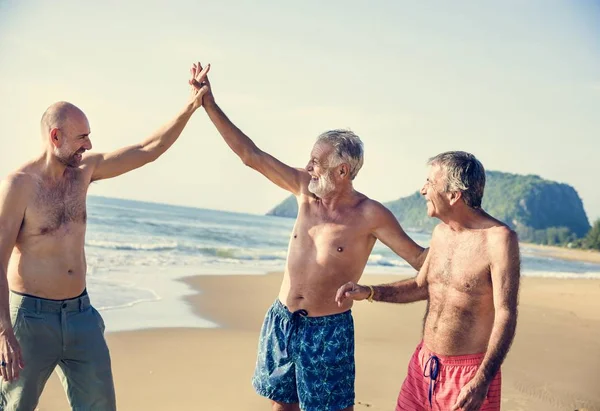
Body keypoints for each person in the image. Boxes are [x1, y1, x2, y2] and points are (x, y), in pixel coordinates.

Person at [189, 63, 428, 411]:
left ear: (343, 170)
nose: (308, 166)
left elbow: (422, 260)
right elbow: (250, 155)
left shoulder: (370, 215)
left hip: (328, 330)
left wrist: (376, 292)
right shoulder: (303, 189)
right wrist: (208, 102)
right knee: (281, 405)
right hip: (282, 319)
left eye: (316, 161)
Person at [0, 64, 211, 410]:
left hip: (81, 315)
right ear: (56, 137)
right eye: (82, 137)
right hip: (30, 320)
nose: (90, 144)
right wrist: (3, 332)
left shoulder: (84, 171)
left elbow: (148, 148)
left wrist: (190, 105)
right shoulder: (19, 186)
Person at [336, 151, 520, 411]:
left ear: (454, 195)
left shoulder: (499, 240)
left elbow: (506, 314)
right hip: (423, 367)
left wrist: (482, 380)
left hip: (469, 376)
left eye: (430, 183)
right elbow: (422, 286)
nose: (423, 190)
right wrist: (369, 291)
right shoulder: (441, 233)